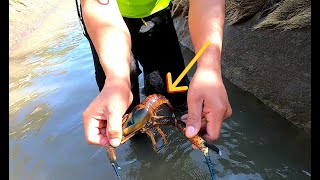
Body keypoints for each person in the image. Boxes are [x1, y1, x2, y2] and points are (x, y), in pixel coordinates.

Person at [79, 0, 232, 149]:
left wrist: (209, 69)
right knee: (117, 112)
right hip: (103, 24)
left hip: (156, 15)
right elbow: (98, 5)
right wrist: (116, 80)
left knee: (175, 93)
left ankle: (182, 128)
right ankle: (138, 143)